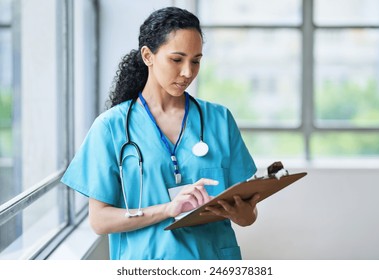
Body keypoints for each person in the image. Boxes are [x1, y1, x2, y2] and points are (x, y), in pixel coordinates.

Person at [61, 6, 260, 260]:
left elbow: (247, 216)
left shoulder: (219, 120)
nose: (188, 72)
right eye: (177, 60)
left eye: (196, 61)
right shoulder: (111, 127)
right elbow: (100, 220)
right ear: (148, 56)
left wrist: (243, 214)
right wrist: (168, 209)